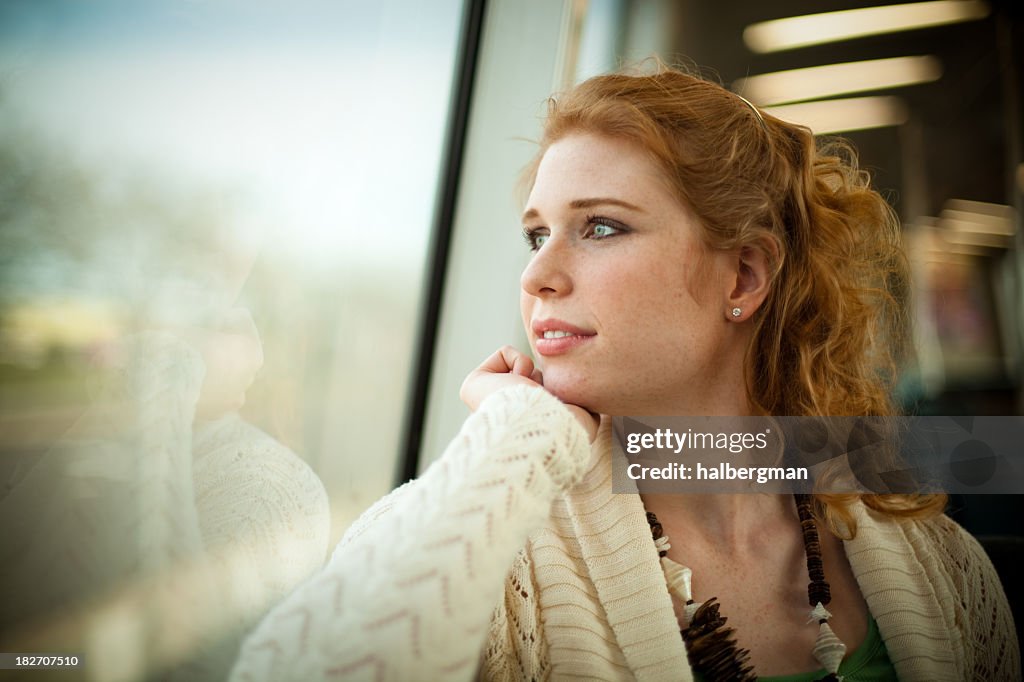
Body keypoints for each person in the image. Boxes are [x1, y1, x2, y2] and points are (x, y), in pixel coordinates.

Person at [228, 65, 1019, 681]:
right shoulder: (483, 552)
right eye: (536, 234)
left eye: (600, 227)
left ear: (743, 278)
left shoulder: (938, 563)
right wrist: (516, 434)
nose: (538, 275)